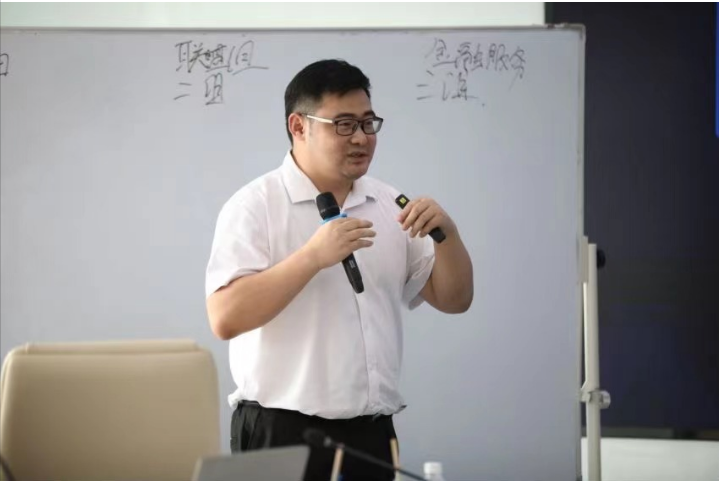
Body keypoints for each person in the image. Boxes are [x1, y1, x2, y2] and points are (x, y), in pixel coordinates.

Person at [205, 59, 473, 481]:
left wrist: (449, 237)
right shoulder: (255, 206)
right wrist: (312, 257)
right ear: (299, 126)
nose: (361, 138)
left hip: (371, 434)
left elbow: (455, 300)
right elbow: (225, 317)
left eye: (368, 123)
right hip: (282, 431)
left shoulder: (389, 203)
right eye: (344, 125)